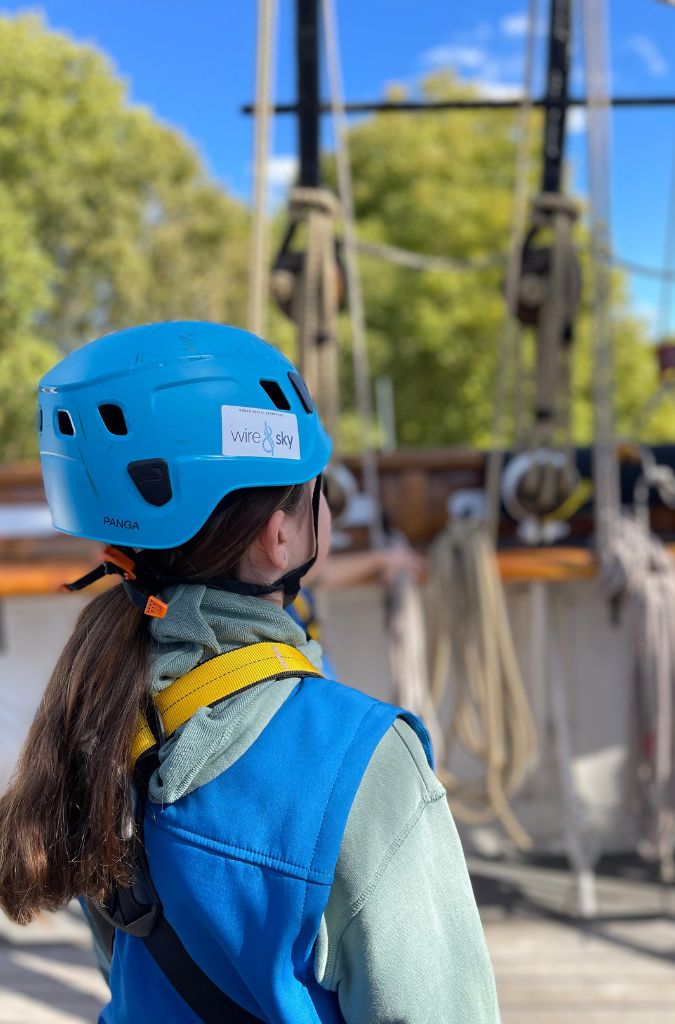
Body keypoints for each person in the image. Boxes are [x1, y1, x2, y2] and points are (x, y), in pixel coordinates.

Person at [0, 321, 500, 1023]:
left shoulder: (96, 711)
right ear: (282, 535)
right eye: (315, 487)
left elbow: (129, 964)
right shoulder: (364, 767)